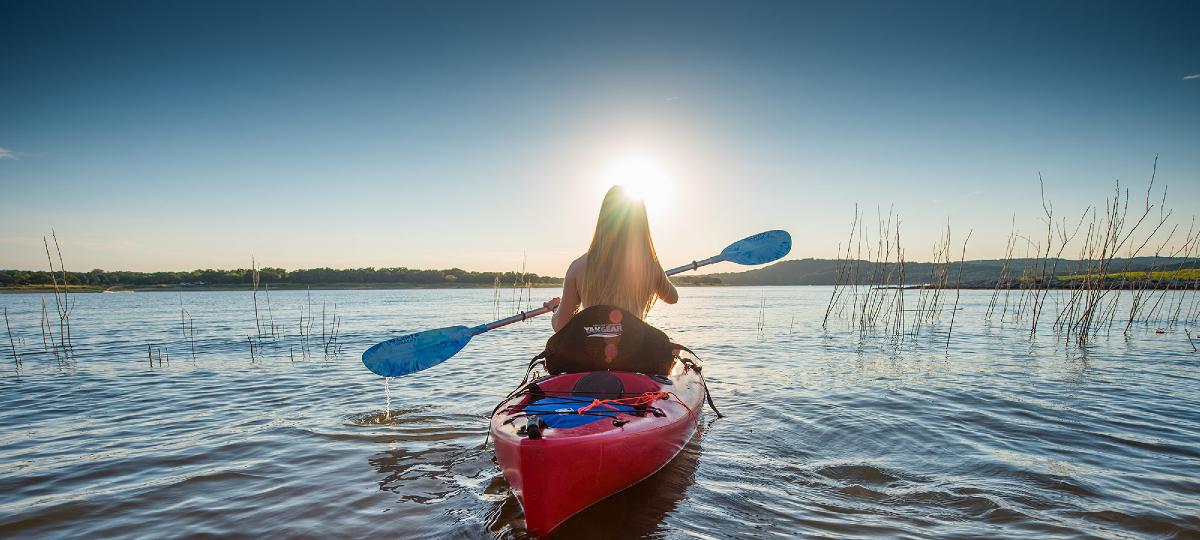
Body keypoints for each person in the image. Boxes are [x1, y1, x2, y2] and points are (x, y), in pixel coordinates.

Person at [543, 185, 679, 331]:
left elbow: (560, 326)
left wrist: (556, 307)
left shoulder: (578, 267)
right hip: (635, 350)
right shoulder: (650, 266)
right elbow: (672, 298)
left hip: (593, 351)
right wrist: (655, 275)